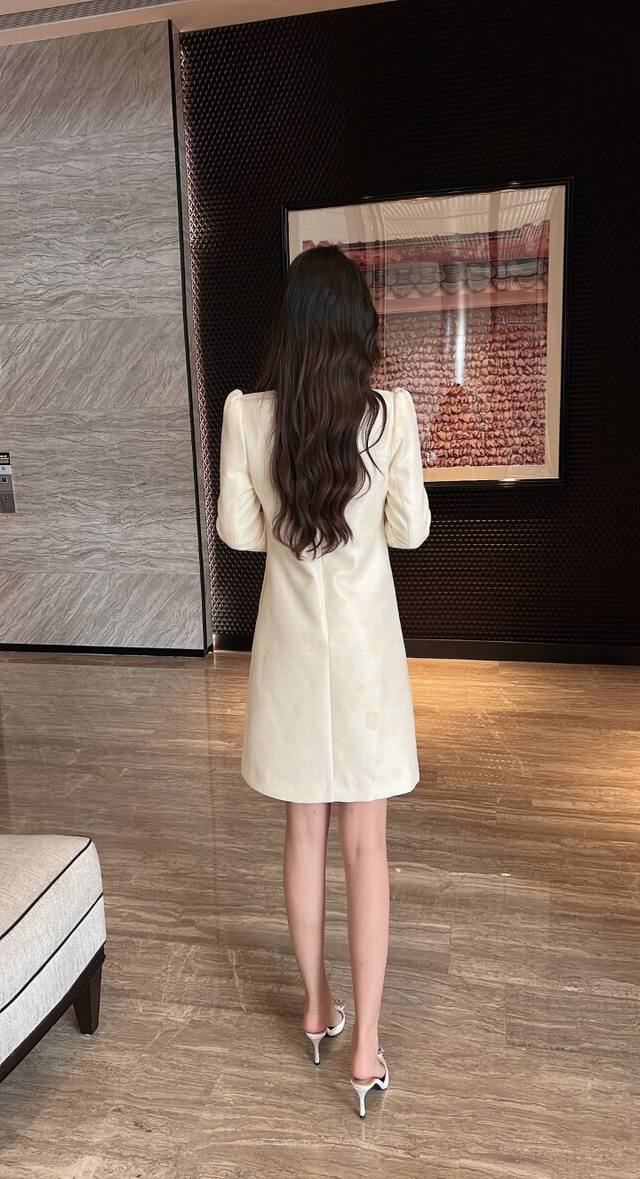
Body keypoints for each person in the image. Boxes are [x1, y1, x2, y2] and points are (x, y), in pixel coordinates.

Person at [216, 244, 431, 1117]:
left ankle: (316, 1009)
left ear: (293, 328)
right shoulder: (389, 416)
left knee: (304, 835)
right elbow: (410, 530)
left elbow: (238, 532)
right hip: (367, 667)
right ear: (357, 330)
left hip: (292, 663)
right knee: (365, 846)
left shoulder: (247, 415)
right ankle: (366, 1049)